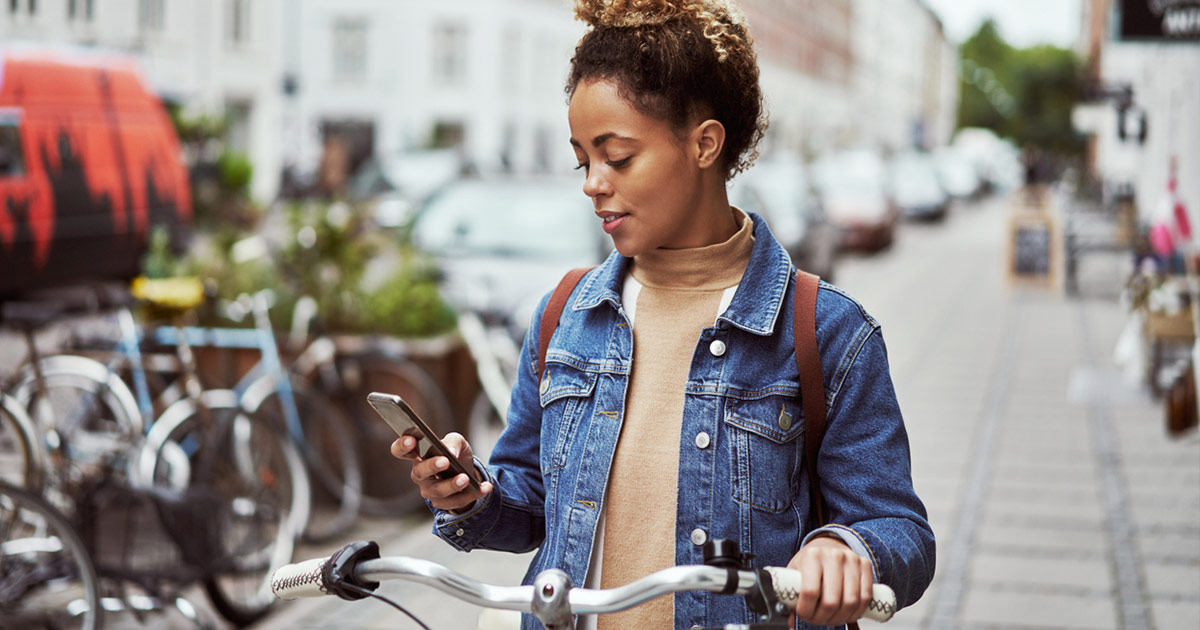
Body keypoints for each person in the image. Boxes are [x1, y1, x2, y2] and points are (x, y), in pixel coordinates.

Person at [392, 1, 935, 628]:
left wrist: (845, 549)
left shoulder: (827, 332)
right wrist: (471, 495)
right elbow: (533, 502)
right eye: (582, 160)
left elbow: (901, 531)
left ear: (704, 144)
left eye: (617, 157)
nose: (593, 183)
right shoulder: (566, 316)